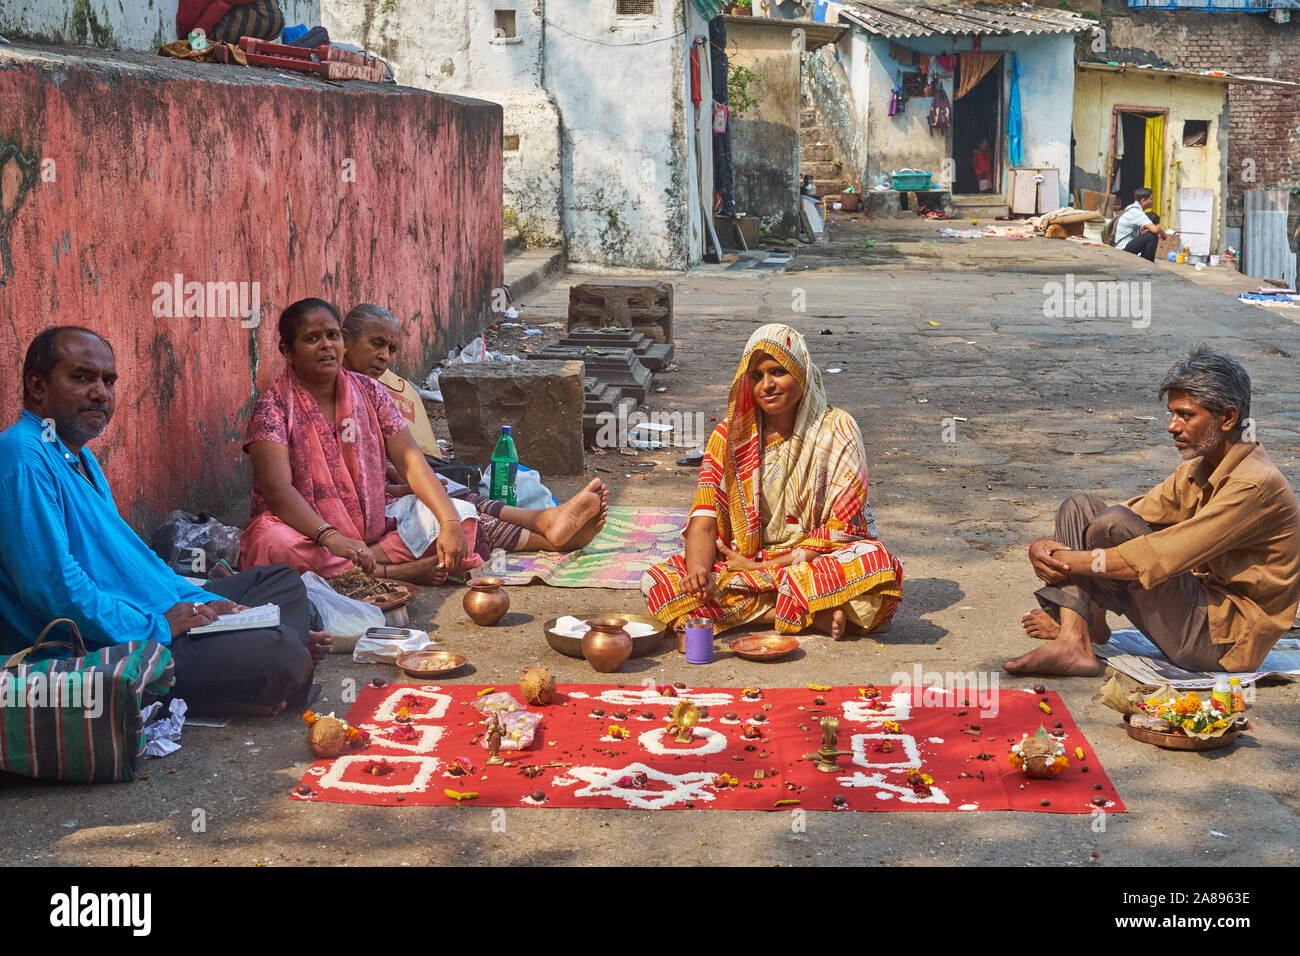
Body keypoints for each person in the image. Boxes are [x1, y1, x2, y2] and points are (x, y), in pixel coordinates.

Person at [0, 327, 321, 715]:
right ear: (37, 385)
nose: (100, 393)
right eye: (82, 378)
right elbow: (54, 591)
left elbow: (139, 564)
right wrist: (159, 625)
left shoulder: (78, 457)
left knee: (281, 581)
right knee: (282, 652)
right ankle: (197, 691)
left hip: (156, 615)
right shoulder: (23, 454)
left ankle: (258, 675)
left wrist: (219, 607)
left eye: (108, 381)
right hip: (108, 646)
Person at [1007, 347, 1300, 676]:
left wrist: (1066, 560)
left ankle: (1074, 633)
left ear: (1228, 418)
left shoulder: (1254, 486)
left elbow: (1161, 554)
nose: (1172, 426)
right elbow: (1127, 516)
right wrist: (1044, 546)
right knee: (1081, 509)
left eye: (1186, 415)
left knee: (1113, 528)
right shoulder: (1200, 469)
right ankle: (1081, 632)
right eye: (1172, 413)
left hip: (1223, 641)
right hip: (1196, 608)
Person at [641, 324, 902, 639]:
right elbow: (704, 521)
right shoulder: (729, 435)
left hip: (814, 559)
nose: (767, 385)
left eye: (778, 372)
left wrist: (764, 569)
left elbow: (843, 530)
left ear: (801, 372)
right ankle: (803, 615)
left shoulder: (838, 429)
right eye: (756, 376)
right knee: (659, 583)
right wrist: (699, 573)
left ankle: (760, 610)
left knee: (874, 566)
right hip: (745, 561)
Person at [340, 304, 609, 561]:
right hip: (356, 509)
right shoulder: (325, 394)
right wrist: (406, 487)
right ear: (345, 340)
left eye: (391, 349)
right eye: (376, 344)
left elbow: (401, 461)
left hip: (383, 490)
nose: (384, 356)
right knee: (459, 512)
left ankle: (545, 520)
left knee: (453, 489)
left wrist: (413, 482)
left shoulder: (372, 392)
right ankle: (548, 539)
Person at [239, 298, 477, 585]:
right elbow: (277, 490)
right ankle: (387, 572)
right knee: (272, 544)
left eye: (332, 336)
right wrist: (330, 537)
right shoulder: (273, 408)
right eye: (312, 339)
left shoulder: (371, 391)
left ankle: (360, 564)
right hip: (307, 532)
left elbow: (410, 460)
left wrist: (449, 523)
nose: (326, 345)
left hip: (372, 524)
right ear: (287, 352)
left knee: (463, 517)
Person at [1112, 187, 1171, 262]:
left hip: (1121, 246)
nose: (1153, 201)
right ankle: (1148, 264)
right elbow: (1155, 229)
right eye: (1151, 199)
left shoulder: (1130, 207)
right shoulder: (1136, 211)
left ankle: (1144, 262)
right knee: (1151, 236)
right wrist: (1163, 234)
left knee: (1148, 234)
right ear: (1143, 201)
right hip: (1122, 248)